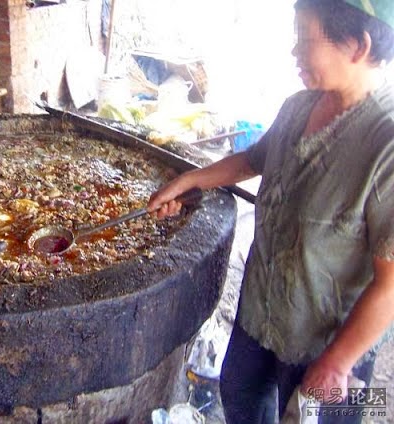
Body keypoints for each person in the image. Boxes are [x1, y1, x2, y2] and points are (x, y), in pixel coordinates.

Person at [147, 1, 394, 422]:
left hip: (328, 345)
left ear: (358, 44)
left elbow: (390, 282)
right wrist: (191, 180)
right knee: (240, 395)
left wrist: (337, 362)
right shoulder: (299, 105)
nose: (294, 52)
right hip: (260, 313)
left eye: (304, 38)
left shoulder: (384, 142)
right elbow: (254, 159)